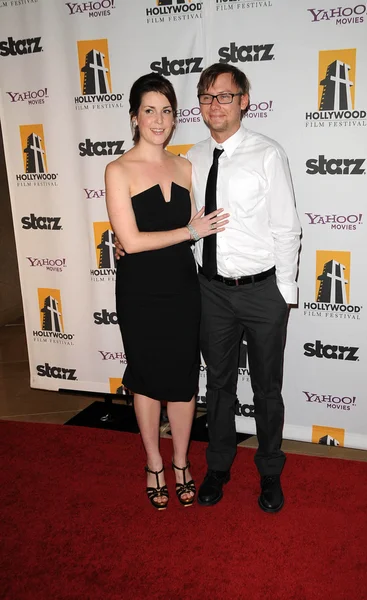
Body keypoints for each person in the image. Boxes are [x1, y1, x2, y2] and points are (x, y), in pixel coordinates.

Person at [116, 64, 301, 513]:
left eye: (224, 96)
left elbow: (287, 228)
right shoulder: (190, 159)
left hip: (262, 292)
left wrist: (284, 292)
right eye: (206, 97)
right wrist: (122, 246)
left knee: (266, 390)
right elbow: (166, 218)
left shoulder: (267, 154)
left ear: (244, 101)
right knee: (217, 387)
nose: (214, 105)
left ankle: (270, 472)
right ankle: (217, 466)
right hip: (208, 291)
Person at [105, 73, 228, 510]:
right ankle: (153, 462)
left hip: (182, 287)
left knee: (181, 379)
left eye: (167, 110)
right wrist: (188, 230)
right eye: (150, 110)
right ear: (135, 117)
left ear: (176, 117)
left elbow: (207, 223)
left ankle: (181, 462)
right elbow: (132, 241)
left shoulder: (186, 166)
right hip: (140, 291)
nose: (159, 120)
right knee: (145, 378)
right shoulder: (117, 170)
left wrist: (196, 232)